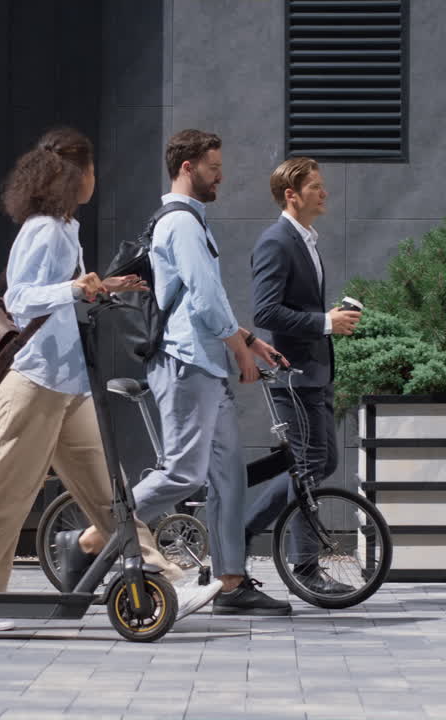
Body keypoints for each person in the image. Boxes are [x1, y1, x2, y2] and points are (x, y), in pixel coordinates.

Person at [0, 127, 216, 632]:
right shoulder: (44, 230)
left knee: (108, 494)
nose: (97, 179)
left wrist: (100, 286)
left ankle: (163, 576)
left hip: (69, 385)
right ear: (75, 176)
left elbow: (62, 294)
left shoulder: (66, 228)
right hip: (35, 383)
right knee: (3, 495)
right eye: (92, 171)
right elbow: (23, 299)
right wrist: (74, 287)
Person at [92, 128, 295, 615]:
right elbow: (203, 301)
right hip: (186, 364)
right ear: (187, 168)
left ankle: (231, 583)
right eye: (213, 167)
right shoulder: (181, 224)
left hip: (204, 361)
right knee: (183, 473)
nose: (221, 175)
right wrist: (240, 352)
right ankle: (89, 538)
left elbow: (204, 300)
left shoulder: (191, 222)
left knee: (228, 477)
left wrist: (247, 340)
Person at [245, 157, 361, 593]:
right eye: (315, 186)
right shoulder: (277, 242)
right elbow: (265, 311)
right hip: (293, 376)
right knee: (308, 466)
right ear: (292, 195)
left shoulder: (305, 240)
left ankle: (242, 531)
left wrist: (329, 324)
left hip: (315, 372)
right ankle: (305, 567)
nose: (324, 192)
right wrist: (325, 322)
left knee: (321, 462)